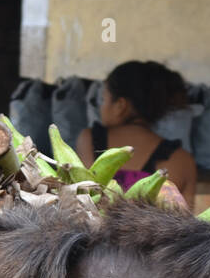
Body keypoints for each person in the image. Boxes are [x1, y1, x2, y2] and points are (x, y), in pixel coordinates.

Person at [75, 61, 196, 204]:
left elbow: (82, 200)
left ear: (120, 105)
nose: (100, 107)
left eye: (103, 99)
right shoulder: (182, 160)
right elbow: (185, 221)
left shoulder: (88, 140)